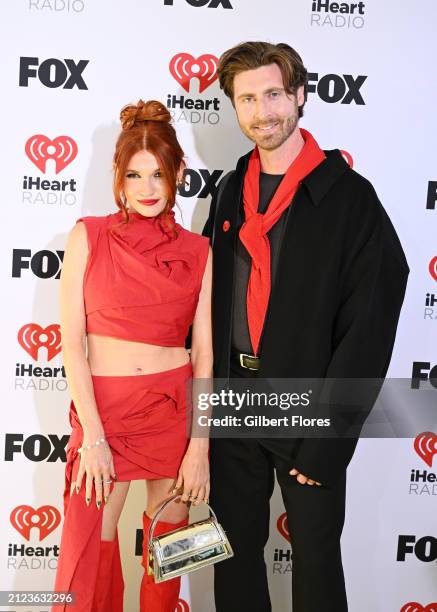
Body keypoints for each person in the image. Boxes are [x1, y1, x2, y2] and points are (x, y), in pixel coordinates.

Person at [202, 42, 409, 612]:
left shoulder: (349, 197)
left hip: (308, 406)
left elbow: (369, 324)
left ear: (299, 96)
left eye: (272, 94)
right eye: (247, 98)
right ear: (235, 108)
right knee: (234, 556)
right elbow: (206, 301)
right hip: (230, 400)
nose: (262, 111)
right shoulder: (229, 187)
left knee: (316, 562)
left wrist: (330, 435)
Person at [53, 99, 212, 612]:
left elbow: (205, 357)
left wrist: (199, 446)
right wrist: (93, 438)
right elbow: (71, 344)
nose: (147, 189)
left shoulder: (199, 251)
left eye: (159, 175)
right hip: (105, 415)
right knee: (89, 549)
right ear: (118, 178)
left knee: (173, 552)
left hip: (172, 412)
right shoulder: (88, 236)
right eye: (135, 175)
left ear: (179, 175)